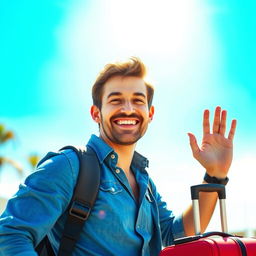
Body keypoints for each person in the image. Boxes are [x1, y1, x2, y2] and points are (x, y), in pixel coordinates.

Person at [0, 57, 237, 256]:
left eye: (138, 100)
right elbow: (10, 235)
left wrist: (215, 175)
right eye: (115, 100)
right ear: (96, 113)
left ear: (150, 113)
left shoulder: (145, 184)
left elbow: (175, 236)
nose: (127, 109)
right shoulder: (68, 166)